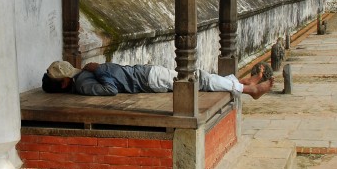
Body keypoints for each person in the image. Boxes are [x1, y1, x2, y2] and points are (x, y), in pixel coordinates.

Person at [42, 60, 274, 100]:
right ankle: (247, 89)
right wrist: (101, 69)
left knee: (199, 76)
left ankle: (241, 83)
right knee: (196, 80)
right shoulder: (83, 85)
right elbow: (110, 89)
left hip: (143, 74)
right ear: (63, 82)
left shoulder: (80, 78)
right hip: (145, 80)